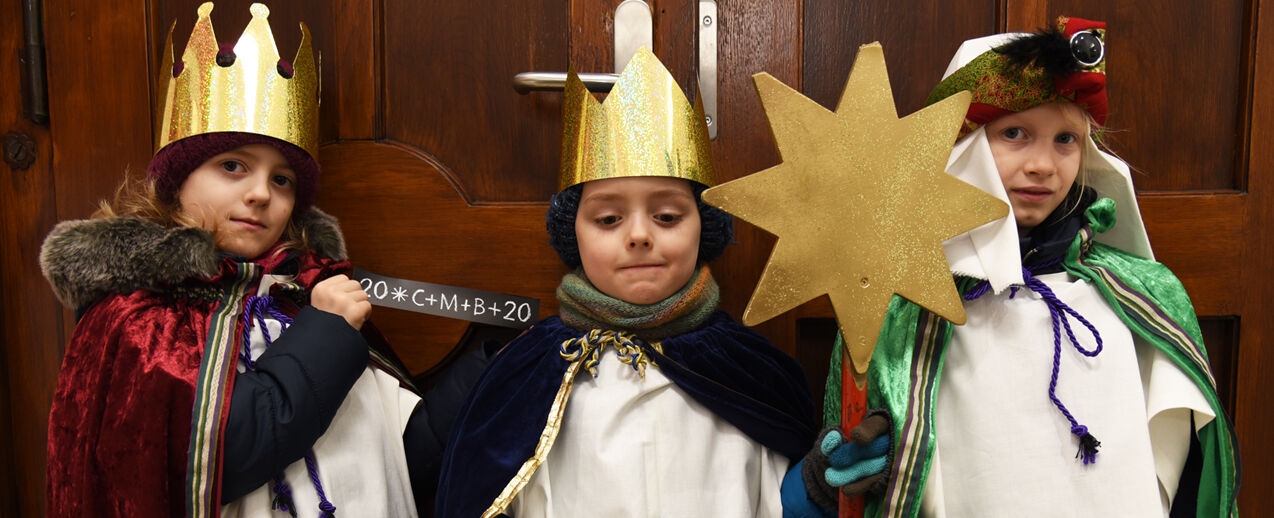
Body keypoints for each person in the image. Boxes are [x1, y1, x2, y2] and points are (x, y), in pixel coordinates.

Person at [40, 4, 488, 517]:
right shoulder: (139, 322)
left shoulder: (303, 294)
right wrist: (327, 330)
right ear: (176, 180)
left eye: (282, 180)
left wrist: (489, 367)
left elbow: (401, 458)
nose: (260, 194)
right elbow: (221, 460)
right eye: (233, 166)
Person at [785, 16, 1239, 518]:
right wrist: (834, 481)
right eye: (1016, 133)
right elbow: (859, 456)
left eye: (1066, 139)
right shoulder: (906, 300)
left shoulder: (1137, 293)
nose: (1044, 164)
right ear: (964, 144)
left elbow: (1184, 456)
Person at [435, 48, 817, 518]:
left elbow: (781, 498)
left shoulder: (751, 372)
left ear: (706, 228)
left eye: (667, 215)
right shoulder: (525, 372)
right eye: (609, 218)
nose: (639, 235)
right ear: (573, 235)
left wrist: (814, 484)